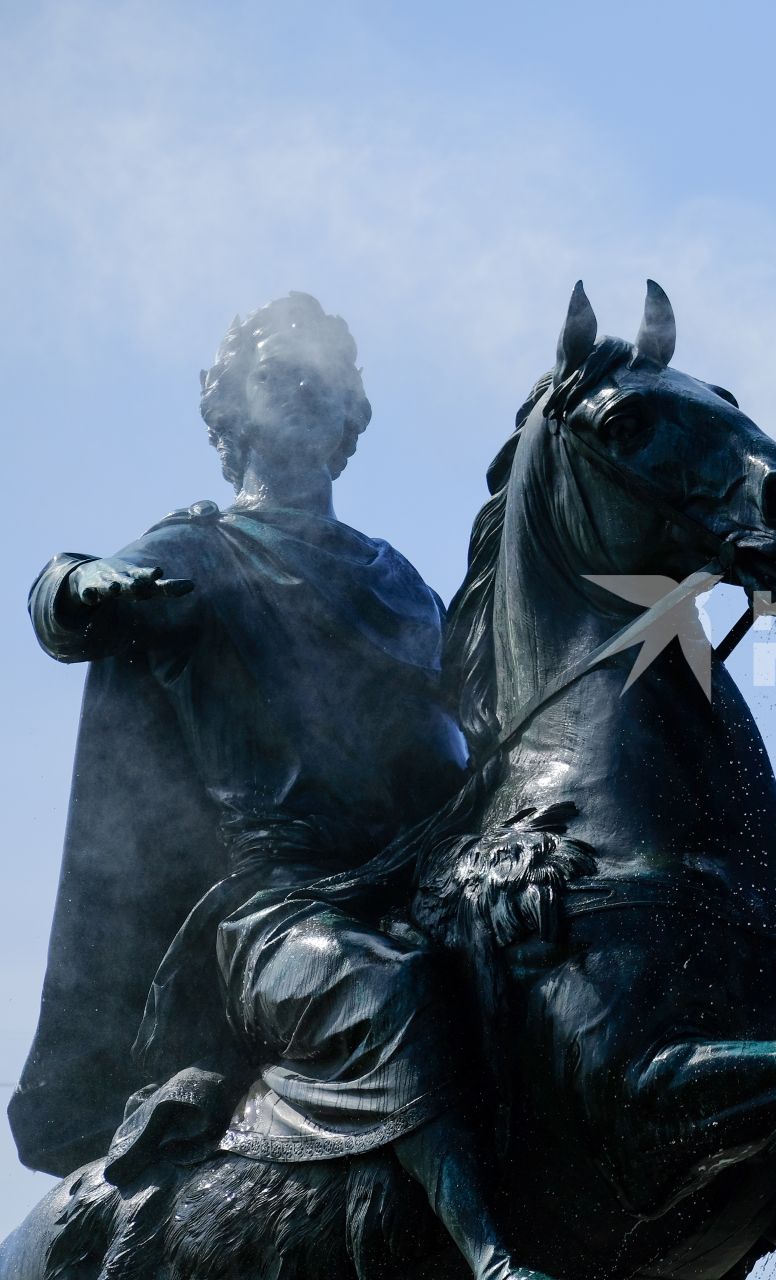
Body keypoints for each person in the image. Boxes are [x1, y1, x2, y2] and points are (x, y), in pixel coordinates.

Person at [14, 294, 555, 1280]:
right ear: (231, 409)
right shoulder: (193, 551)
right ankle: (491, 1255)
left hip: (417, 879)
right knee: (384, 983)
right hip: (276, 911)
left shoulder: (397, 577)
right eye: (281, 377)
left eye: (326, 384)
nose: (307, 396)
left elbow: (482, 722)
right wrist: (87, 584)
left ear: (350, 419)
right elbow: (64, 596)